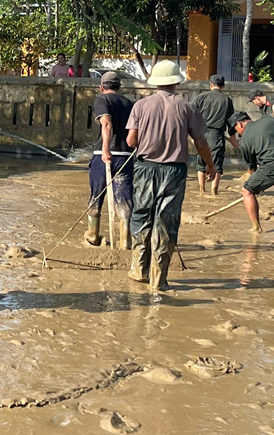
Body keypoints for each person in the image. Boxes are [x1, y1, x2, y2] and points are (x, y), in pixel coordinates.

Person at [125, 60, 216, 291]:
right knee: (166, 221)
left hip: (145, 168)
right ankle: (159, 279)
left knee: (141, 216)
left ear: (156, 82)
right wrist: (210, 165)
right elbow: (201, 142)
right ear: (176, 82)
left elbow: (131, 141)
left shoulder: (141, 106)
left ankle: (138, 270)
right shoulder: (187, 108)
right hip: (174, 171)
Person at [85, 71, 135, 249]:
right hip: (125, 156)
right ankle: (125, 241)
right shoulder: (129, 103)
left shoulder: (101, 100)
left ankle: (92, 235)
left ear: (101, 87)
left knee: (96, 195)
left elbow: (106, 123)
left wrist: (106, 148)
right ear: (118, 87)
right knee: (125, 199)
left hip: (104, 156)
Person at [192, 74, 235, 196]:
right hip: (217, 135)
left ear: (210, 85)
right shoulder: (227, 101)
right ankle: (214, 192)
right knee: (217, 163)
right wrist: (233, 138)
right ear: (223, 86)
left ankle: (201, 190)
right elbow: (231, 121)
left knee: (200, 161)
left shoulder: (201, 97)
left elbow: (191, 114)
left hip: (201, 134)